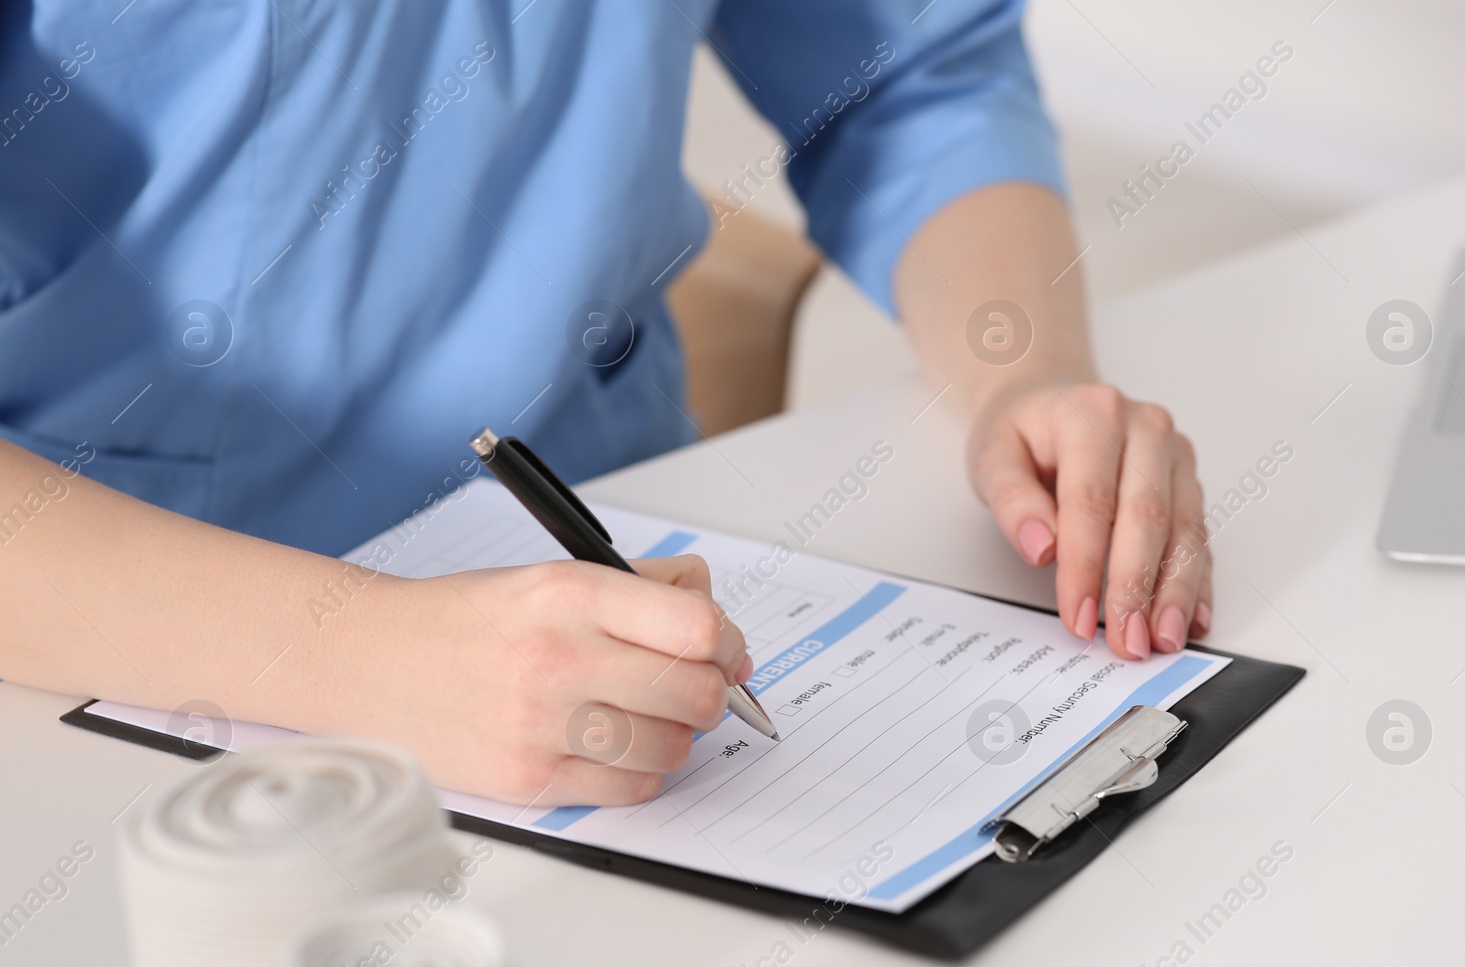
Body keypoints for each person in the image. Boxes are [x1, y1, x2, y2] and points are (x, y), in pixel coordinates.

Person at [0, 0, 1210, 807]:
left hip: (621, 539)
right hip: (102, 669)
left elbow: (911, 73)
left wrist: (1027, 372)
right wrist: (367, 653)